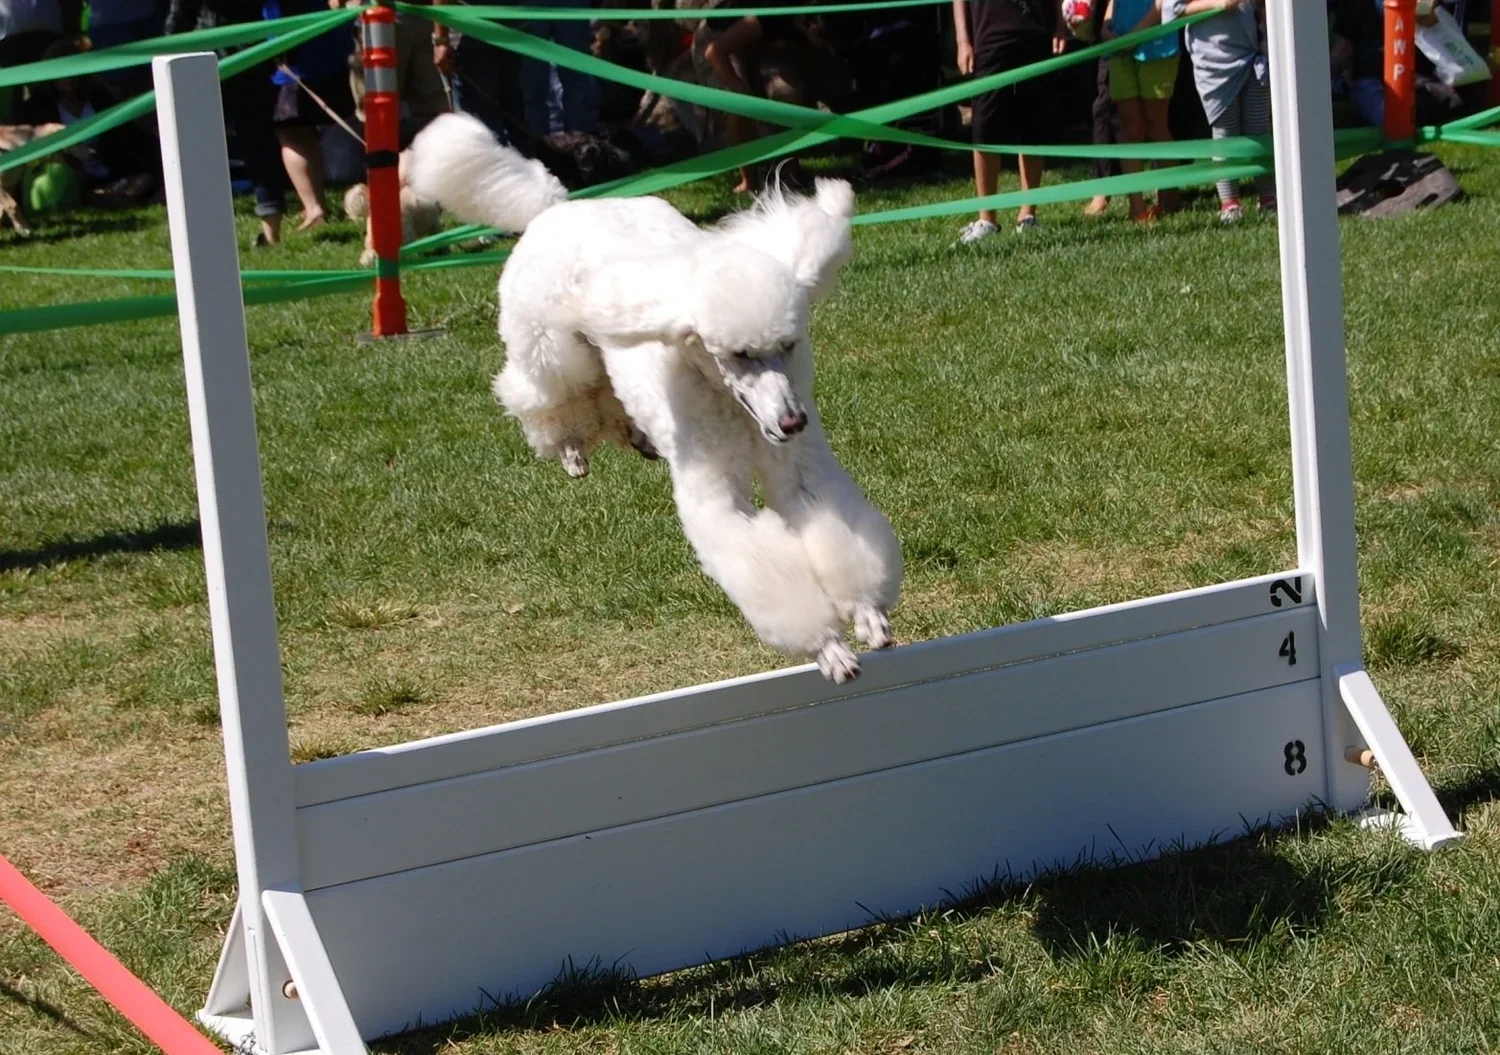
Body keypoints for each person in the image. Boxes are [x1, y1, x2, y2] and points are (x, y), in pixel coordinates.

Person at [164, 0, 289, 245]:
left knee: (203, 151)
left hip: (206, 59)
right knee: (259, 144)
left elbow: (180, 15)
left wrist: (164, 53)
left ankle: (205, 233)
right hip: (253, 53)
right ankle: (272, 232)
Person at [952, 0, 1069, 242]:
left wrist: (1060, 26)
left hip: (1037, 32)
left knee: (1033, 126)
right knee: (985, 126)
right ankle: (987, 220)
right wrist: (963, 41)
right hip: (990, 34)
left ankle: (1028, 216)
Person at [1161, 0, 1272, 222]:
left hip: (1253, 55)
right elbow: (1171, 11)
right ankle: (1229, 204)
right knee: (1225, 133)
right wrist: (1218, 4)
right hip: (1214, 65)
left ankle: (1269, 198)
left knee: (1259, 129)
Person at [263, 0, 353, 231]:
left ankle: (314, 208)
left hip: (295, 55)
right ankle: (316, 204)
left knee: (291, 132)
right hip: (328, 45)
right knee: (304, 133)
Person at [1101, 0, 1178, 223]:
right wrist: (1105, 30)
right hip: (1119, 50)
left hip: (1158, 47)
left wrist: (1134, 36)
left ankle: (1168, 198)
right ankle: (1137, 208)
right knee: (1130, 129)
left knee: (1156, 125)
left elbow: (1164, 5)